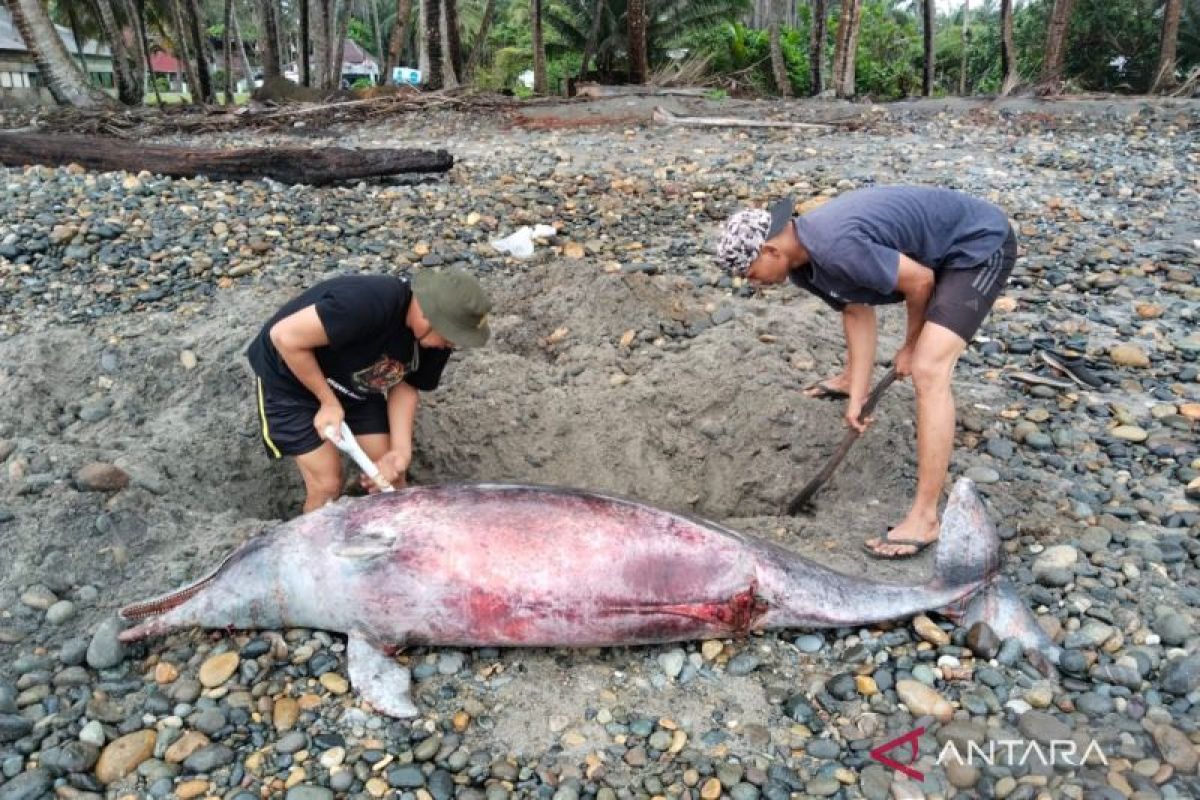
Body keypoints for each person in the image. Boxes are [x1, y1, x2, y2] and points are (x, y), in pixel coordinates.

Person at [716, 185, 1017, 559]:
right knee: (917, 357)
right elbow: (856, 310)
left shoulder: (835, 246)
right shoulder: (803, 263)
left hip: (978, 246)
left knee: (927, 368)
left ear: (771, 250)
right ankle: (849, 381)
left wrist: (910, 344)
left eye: (750, 273)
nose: (753, 283)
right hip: (939, 251)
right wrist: (856, 393)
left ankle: (925, 518)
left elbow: (920, 281)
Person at [247, 269, 491, 513]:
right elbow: (284, 337)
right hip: (290, 380)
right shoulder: (367, 303)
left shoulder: (435, 343)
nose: (450, 345)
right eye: (450, 338)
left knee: (391, 479)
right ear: (429, 316)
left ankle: (394, 546)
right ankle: (311, 547)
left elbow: (406, 386)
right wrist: (328, 403)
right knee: (327, 486)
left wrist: (399, 454)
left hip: (356, 385)